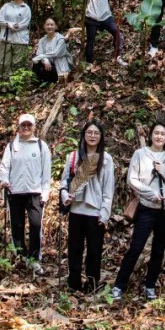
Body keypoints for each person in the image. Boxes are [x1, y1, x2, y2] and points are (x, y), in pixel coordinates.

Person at [111, 121, 165, 301]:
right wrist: (150, 194)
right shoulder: (140, 154)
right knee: (136, 247)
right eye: (156, 133)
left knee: (159, 249)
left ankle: (150, 285)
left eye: (163, 134)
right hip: (147, 209)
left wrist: (164, 171)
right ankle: (120, 284)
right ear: (150, 135)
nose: (159, 137)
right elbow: (131, 180)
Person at [59, 121, 115, 293]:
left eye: (96, 133)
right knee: (75, 249)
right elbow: (63, 182)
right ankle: (73, 283)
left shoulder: (105, 159)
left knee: (94, 251)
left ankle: (91, 284)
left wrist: (105, 212)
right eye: (89, 132)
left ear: (101, 137)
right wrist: (64, 196)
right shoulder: (74, 157)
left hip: (95, 211)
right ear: (84, 135)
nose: (92, 136)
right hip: (76, 210)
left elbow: (108, 189)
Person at [0, 113, 52, 273]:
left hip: (35, 192)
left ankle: (34, 258)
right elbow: (4, 167)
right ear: (19, 127)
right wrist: (4, 180)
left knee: (36, 225)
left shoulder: (41, 146)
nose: (26, 128)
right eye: (24, 125)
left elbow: (46, 172)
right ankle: (21, 256)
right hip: (15, 192)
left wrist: (45, 192)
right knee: (17, 225)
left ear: (34, 127)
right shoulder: (12, 146)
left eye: (29, 125)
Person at [79, 0, 128, 67]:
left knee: (117, 33)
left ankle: (118, 57)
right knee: (90, 40)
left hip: (105, 15)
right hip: (91, 16)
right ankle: (89, 62)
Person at [0, 0, 32, 79]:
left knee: (17, 63)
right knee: (3, 62)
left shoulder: (26, 8)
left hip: (20, 39)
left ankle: (14, 86)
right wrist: (9, 24)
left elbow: (25, 22)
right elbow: (0, 19)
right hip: (6, 38)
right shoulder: (6, 6)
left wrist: (17, 26)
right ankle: (2, 85)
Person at [32, 18, 72, 84]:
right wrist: (45, 60)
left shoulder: (61, 39)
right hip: (49, 66)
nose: (49, 27)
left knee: (38, 59)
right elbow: (39, 53)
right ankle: (40, 83)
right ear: (44, 26)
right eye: (47, 25)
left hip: (59, 67)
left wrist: (41, 56)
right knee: (36, 63)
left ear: (56, 26)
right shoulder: (42, 40)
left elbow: (56, 53)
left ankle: (50, 82)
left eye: (52, 25)